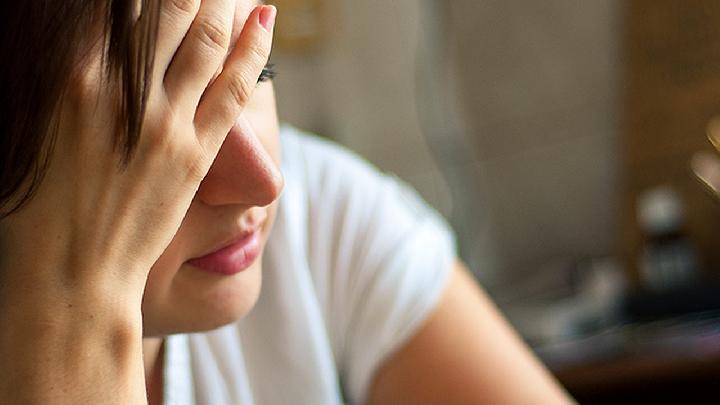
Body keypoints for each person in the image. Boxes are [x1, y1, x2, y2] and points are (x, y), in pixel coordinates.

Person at [0, 0, 574, 403]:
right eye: (151, 129)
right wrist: (75, 302)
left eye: (255, 74)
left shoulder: (318, 215)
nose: (264, 180)